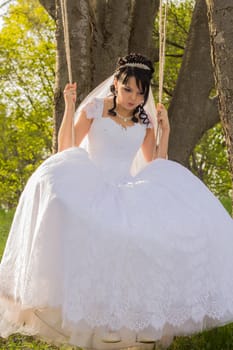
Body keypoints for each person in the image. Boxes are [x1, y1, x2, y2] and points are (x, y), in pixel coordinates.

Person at [0, 53, 233, 350]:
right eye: (127, 89)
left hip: (127, 187)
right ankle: (94, 316)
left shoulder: (145, 120)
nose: (133, 97)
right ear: (115, 85)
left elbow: (155, 164)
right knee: (80, 212)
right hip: (93, 184)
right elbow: (66, 147)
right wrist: (70, 106)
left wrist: (165, 130)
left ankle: (129, 321)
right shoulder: (95, 109)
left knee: (142, 237)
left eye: (140, 92)